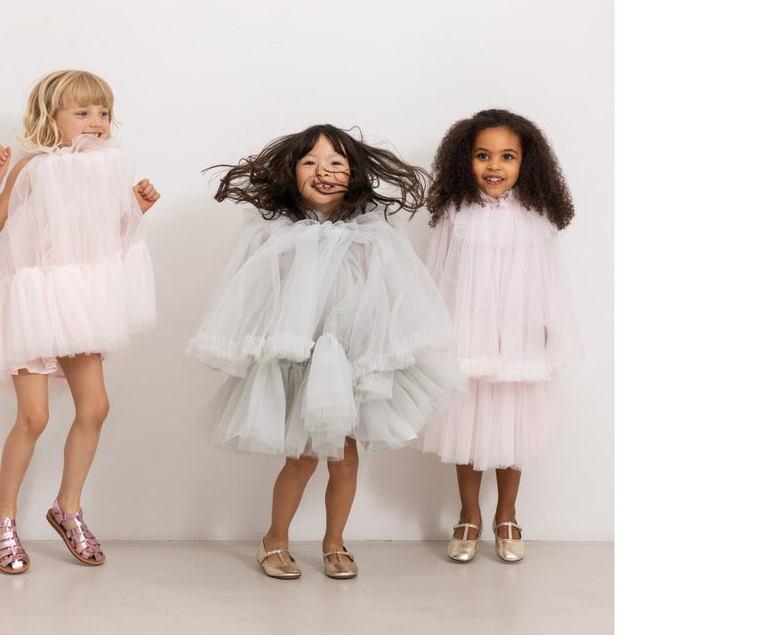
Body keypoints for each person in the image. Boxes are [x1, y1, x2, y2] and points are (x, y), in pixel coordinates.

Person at [188, 125, 465, 580]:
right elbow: (254, 288)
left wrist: (383, 349)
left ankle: (335, 542)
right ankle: (274, 539)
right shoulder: (275, 230)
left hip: (349, 359)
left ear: (354, 174)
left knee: (346, 460)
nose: (324, 171)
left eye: (337, 163)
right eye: (310, 162)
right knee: (301, 459)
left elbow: (391, 292)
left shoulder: (372, 230)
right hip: (299, 357)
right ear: (291, 172)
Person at [0, 70, 160, 574]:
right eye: (82, 112)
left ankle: (66, 508)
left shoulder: (109, 169)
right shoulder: (34, 168)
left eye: (103, 112)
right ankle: (2, 517)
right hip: (33, 302)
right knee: (34, 417)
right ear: (52, 117)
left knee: (95, 407)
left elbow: (103, 241)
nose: (96, 122)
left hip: (78, 301)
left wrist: (135, 211)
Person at [422, 109, 579, 562]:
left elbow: (551, 277)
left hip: (521, 335)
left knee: (514, 424)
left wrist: (551, 327)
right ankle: (469, 514)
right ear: (464, 160)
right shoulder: (455, 214)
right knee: (466, 426)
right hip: (467, 334)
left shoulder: (537, 216)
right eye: (483, 155)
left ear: (526, 163)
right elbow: (439, 276)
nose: (494, 166)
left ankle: (507, 515)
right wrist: (436, 335)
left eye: (507, 156)